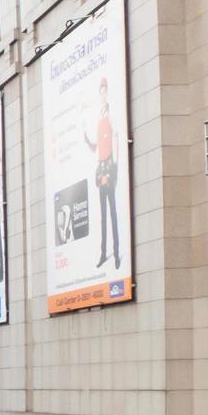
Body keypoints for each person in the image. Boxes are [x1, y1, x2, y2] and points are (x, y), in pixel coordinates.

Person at [82, 76, 121, 270]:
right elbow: (95, 146)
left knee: (113, 211)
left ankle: (117, 253)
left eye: (104, 91)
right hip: (100, 167)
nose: (102, 95)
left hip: (109, 165)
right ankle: (103, 253)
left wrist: (115, 166)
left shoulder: (111, 114)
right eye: (100, 92)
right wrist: (84, 137)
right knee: (103, 214)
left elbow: (115, 138)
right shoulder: (98, 117)